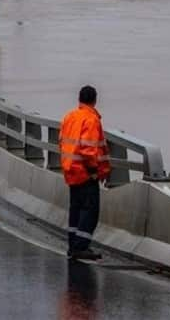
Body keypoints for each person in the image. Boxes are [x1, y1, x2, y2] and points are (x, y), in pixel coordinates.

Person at [59, 85, 110, 260]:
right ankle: (81, 247)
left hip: (71, 171)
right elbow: (88, 150)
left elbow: (62, 142)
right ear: (95, 100)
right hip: (85, 173)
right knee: (90, 211)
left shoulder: (69, 117)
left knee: (76, 210)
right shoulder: (91, 120)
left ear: (79, 100)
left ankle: (73, 245)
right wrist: (95, 171)